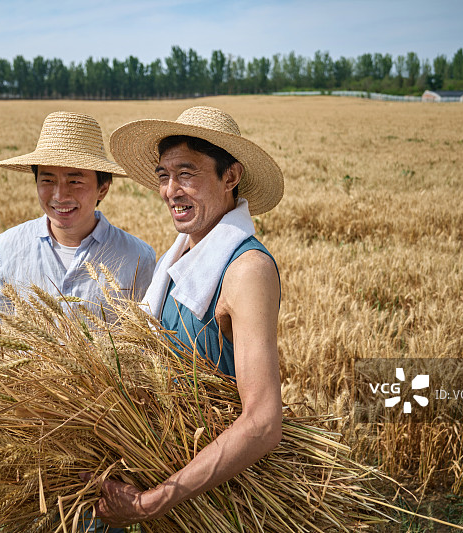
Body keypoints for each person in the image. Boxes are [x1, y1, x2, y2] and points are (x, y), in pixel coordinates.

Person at [87, 106, 284, 526]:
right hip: (176, 480)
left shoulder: (246, 270)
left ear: (229, 177)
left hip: (223, 500)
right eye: (163, 176)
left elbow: (264, 422)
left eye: (187, 174)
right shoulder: (180, 259)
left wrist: (149, 504)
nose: (170, 190)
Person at [0, 111, 156, 327]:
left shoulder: (138, 258)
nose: (59, 196)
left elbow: (146, 337)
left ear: (102, 189)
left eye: (75, 181)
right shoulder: (9, 246)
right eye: (47, 180)